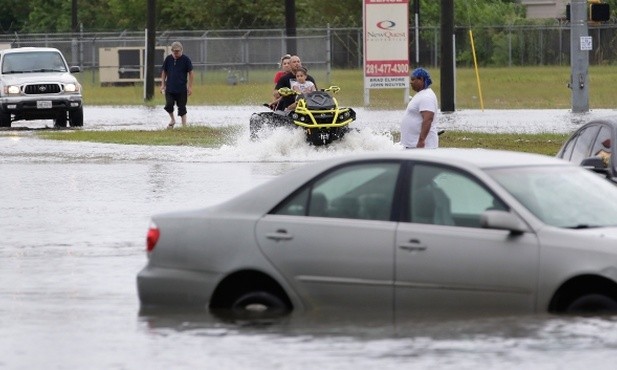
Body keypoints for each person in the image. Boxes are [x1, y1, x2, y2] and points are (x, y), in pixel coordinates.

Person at [401, 67, 439, 149]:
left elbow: (428, 119)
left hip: (423, 148)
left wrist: (421, 141)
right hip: (413, 146)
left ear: (421, 79)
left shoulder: (427, 96)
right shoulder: (421, 94)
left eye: (413, 79)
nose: (411, 82)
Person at [160, 41, 194, 129]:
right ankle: (172, 120)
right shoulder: (168, 59)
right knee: (169, 105)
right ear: (172, 51)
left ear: (181, 50)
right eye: (174, 51)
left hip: (181, 88)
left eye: (178, 51)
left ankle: (184, 126)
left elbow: (191, 73)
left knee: (182, 107)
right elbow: (164, 72)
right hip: (170, 88)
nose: (176, 53)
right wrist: (163, 84)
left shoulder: (186, 60)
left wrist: (189, 87)